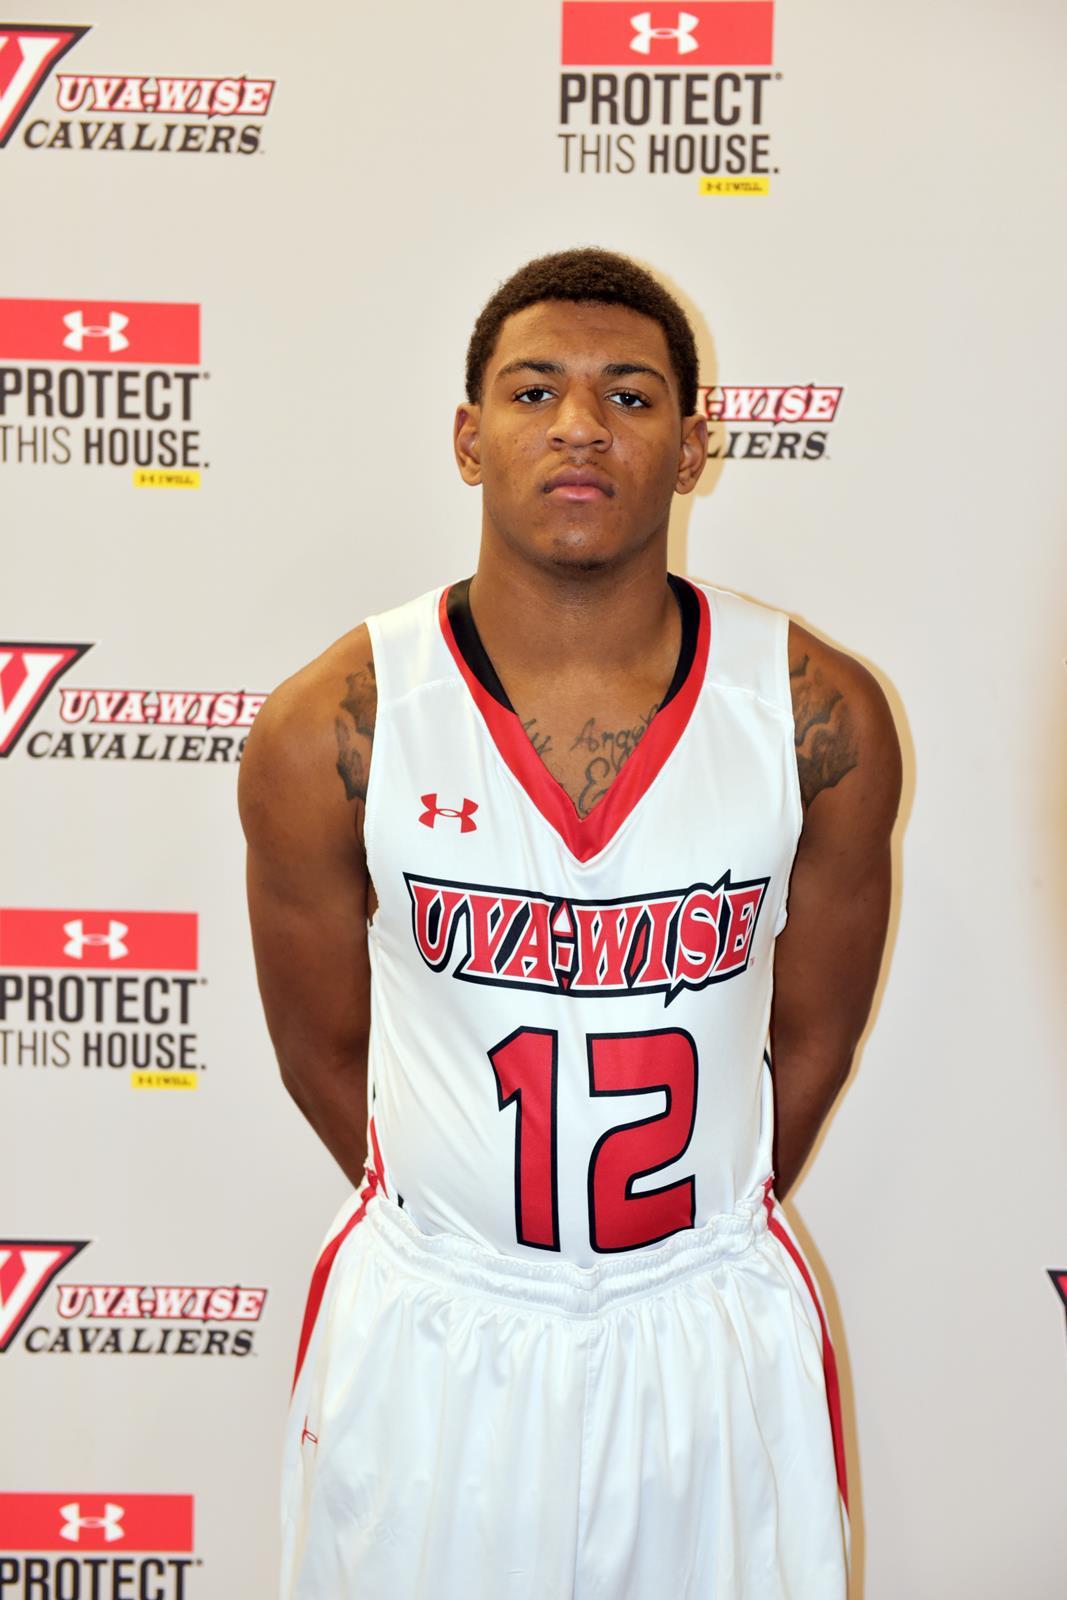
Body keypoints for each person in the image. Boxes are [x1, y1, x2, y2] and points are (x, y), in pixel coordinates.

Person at [238, 246, 902, 1599]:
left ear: (694, 447)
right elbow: (322, 1056)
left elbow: (813, 1043)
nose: (582, 425)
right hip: (439, 1332)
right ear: (468, 437)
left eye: (631, 396)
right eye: (535, 391)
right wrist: (473, 1230)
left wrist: (684, 1237)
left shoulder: (814, 713)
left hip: (704, 1323)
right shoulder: (334, 725)